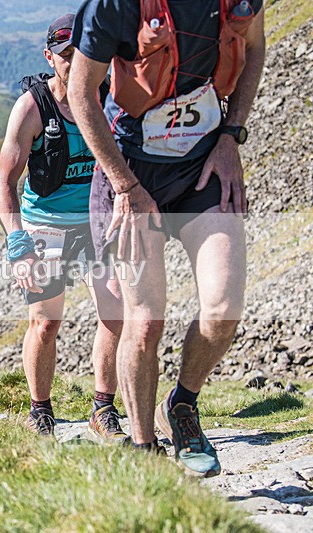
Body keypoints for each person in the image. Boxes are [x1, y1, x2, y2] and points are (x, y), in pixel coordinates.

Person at [67, 0, 265, 475]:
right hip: (131, 172)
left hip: (204, 164)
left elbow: (254, 47)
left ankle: (181, 404)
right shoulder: (114, 6)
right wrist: (124, 186)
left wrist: (230, 136)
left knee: (223, 310)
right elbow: (80, 92)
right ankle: (144, 448)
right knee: (146, 320)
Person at [0, 13, 125, 442]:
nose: (73, 62)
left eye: (82, 53)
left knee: (115, 313)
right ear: (50, 57)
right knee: (45, 322)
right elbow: (5, 182)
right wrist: (18, 243)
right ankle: (40, 410)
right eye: (65, 55)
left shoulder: (110, 96)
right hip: (45, 224)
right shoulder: (32, 107)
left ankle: (103, 409)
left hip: (97, 222)